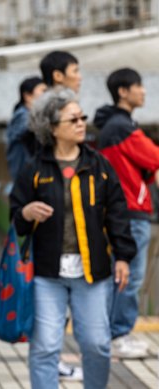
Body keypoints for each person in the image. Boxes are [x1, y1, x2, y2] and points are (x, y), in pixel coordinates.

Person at [9, 88, 136, 388]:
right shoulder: (35, 169)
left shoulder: (99, 167)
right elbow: (17, 214)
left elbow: (117, 214)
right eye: (73, 119)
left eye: (83, 117)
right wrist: (26, 212)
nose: (81, 123)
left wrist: (124, 258)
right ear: (52, 128)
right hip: (46, 274)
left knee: (97, 345)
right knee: (45, 348)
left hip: (93, 273)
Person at [94, 68, 159, 359]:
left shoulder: (114, 125)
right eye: (139, 86)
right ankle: (118, 336)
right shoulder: (122, 127)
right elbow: (155, 158)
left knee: (120, 277)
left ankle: (112, 335)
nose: (144, 91)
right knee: (129, 278)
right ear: (123, 91)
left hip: (121, 211)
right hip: (131, 212)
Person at [39, 49, 85, 381]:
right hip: (48, 254)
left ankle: (53, 360)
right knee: (46, 335)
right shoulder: (39, 160)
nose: (80, 76)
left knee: (93, 340)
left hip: (81, 258)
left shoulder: (93, 163)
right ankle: (50, 362)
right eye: (75, 70)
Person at [6, 76, 47, 179]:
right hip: (25, 175)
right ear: (28, 96)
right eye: (43, 91)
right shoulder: (23, 115)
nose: (47, 95)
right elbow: (28, 128)